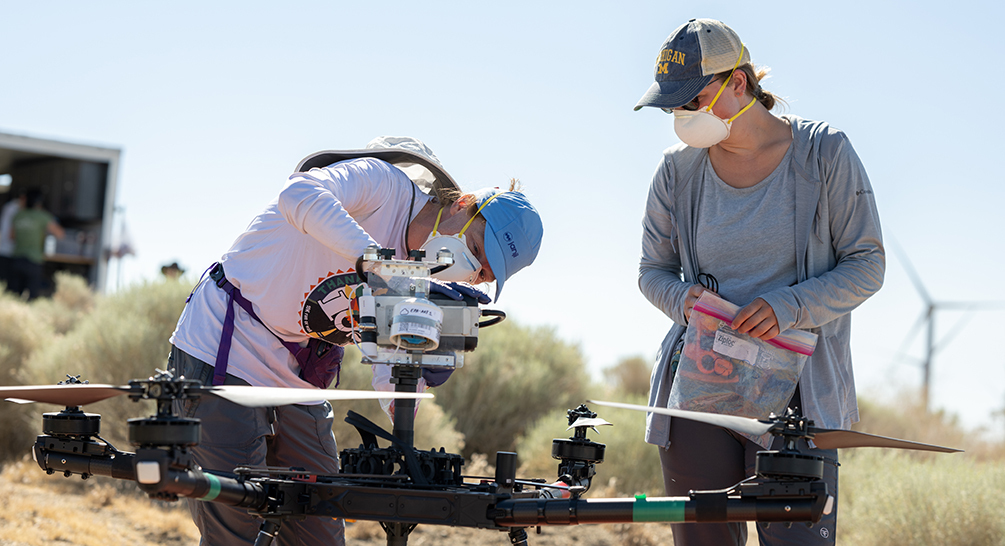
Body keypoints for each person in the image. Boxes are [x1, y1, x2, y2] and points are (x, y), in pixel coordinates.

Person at [167, 136, 544, 546]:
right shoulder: (384, 187)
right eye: (475, 248)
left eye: (482, 274)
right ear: (462, 204)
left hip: (297, 377)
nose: (468, 269)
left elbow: (388, 368)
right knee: (234, 526)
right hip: (226, 344)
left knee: (320, 528)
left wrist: (408, 407)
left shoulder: (424, 273)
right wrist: (372, 259)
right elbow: (299, 193)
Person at [634, 19, 884, 545]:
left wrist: (789, 306)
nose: (683, 117)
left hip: (798, 399)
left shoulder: (825, 154)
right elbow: (650, 273)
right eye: (674, 106)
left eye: (694, 99)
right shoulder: (676, 173)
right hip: (700, 391)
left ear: (739, 84)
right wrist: (684, 299)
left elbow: (867, 264)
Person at [9, 189, 64, 300]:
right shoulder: (42, 216)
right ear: (39, 202)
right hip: (34, 260)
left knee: (14, 297)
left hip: (17, 259)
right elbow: (60, 234)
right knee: (32, 298)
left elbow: (12, 237)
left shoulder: (18, 215)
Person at [0, 191, 26, 289]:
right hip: (8, 250)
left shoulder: (10, 206)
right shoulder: (15, 208)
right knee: (7, 284)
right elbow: (12, 233)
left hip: (7, 249)